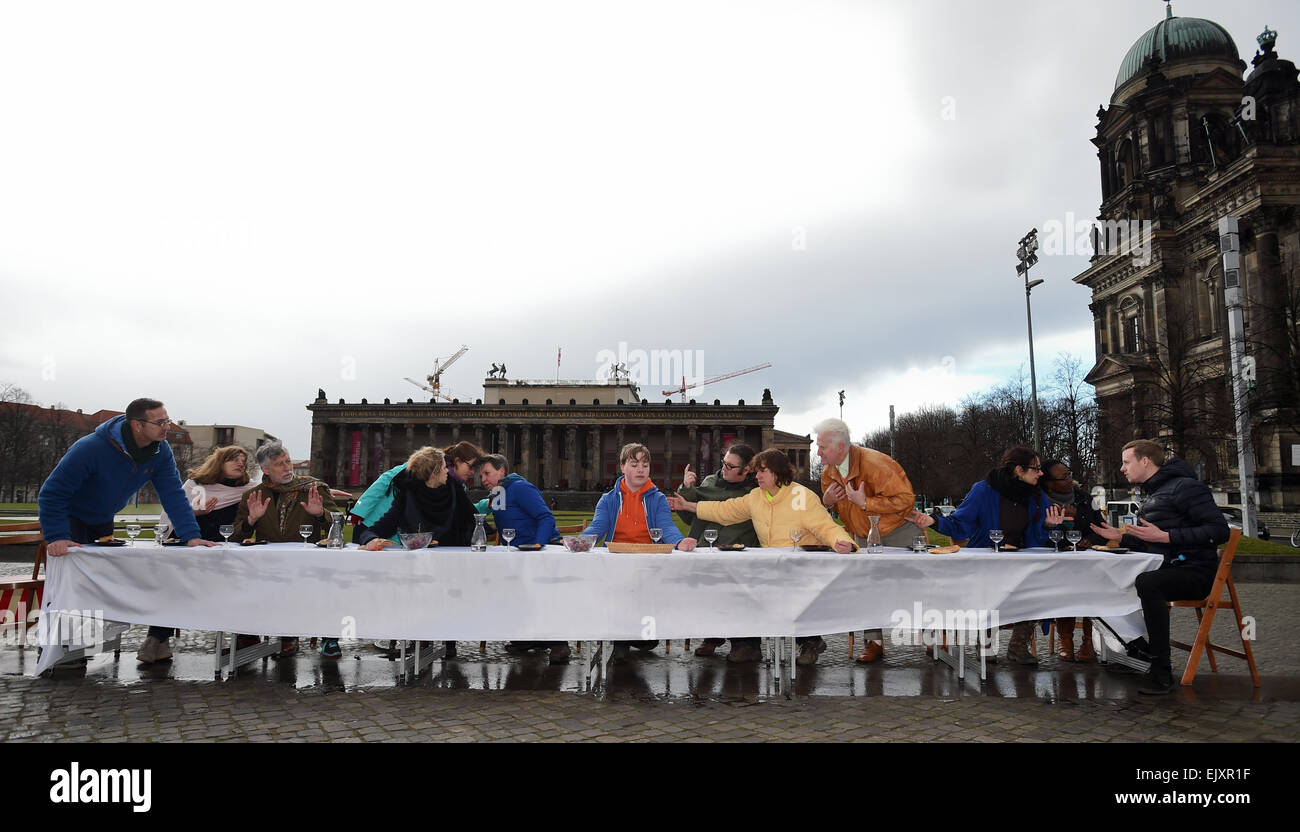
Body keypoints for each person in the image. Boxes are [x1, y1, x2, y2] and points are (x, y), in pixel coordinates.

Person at [37, 398, 219, 665]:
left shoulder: (160, 451)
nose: (166, 427)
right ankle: (55, 651)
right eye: (159, 422)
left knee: (97, 583)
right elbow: (51, 494)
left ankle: (82, 646)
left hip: (102, 519)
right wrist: (56, 536)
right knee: (67, 582)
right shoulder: (90, 448)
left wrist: (190, 536)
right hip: (70, 516)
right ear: (136, 425)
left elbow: (172, 494)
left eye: (167, 420)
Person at [669, 448, 856, 666]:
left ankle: (809, 641)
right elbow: (724, 510)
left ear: (778, 473)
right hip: (772, 569)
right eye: (756, 472)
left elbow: (825, 526)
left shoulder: (802, 496)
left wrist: (845, 543)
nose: (756, 476)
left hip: (801, 569)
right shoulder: (756, 497)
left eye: (762, 472)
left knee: (784, 598)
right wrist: (688, 505)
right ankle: (801, 642)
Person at [1089, 440, 1228, 695]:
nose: (1122, 468)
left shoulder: (1185, 487)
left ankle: (1161, 670)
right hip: (1168, 566)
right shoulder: (1155, 492)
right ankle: (1138, 647)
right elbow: (1152, 540)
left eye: (1126, 462)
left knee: (1147, 582)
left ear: (1145, 461)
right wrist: (1120, 537)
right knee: (1102, 580)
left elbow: (1219, 531)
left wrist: (1167, 537)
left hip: (1194, 571)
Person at [909, 445, 1065, 665]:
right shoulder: (984, 490)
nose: (1041, 473)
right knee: (990, 591)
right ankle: (986, 641)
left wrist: (1048, 524)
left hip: (1021, 561)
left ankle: (1018, 647)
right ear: (1018, 470)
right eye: (1035, 468)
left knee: (1037, 588)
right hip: (987, 562)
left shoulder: (1036, 495)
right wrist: (934, 521)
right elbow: (961, 523)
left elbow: (1038, 536)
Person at [814, 418, 920, 664]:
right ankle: (874, 643)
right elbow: (835, 508)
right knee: (868, 590)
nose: (818, 452)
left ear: (841, 447)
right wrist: (827, 501)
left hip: (899, 531)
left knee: (915, 585)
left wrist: (867, 503)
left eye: (822, 447)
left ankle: (932, 637)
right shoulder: (829, 472)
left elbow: (906, 499)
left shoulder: (876, 464)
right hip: (862, 536)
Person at [582, 443, 697, 663]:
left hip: (648, 563)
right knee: (619, 590)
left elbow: (667, 528)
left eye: (645, 465)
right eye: (634, 464)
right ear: (623, 467)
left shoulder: (658, 499)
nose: (641, 469)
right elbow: (596, 529)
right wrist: (580, 541)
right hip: (617, 563)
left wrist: (680, 542)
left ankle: (638, 635)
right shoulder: (608, 499)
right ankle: (621, 643)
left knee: (640, 591)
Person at [233, 441, 343, 657]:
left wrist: (320, 514)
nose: (287, 468)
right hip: (269, 565)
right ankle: (260, 635)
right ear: (265, 470)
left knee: (327, 586)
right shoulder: (252, 496)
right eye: (278, 464)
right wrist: (251, 520)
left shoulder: (314, 489)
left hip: (308, 564)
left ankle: (327, 636)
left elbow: (338, 527)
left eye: (287, 461)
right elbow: (235, 536)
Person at [673, 444, 763, 662]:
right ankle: (712, 635)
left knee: (738, 597)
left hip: (740, 554)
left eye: (731, 466)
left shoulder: (755, 492)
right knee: (706, 595)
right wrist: (686, 490)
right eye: (724, 462)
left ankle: (746, 643)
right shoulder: (709, 483)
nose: (724, 468)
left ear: (747, 470)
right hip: (708, 549)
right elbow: (691, 519)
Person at [476, 453, 568, 663]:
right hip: (519, 553)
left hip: (539, 551)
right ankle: (528, 638)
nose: (483, 480)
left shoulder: (521, 488)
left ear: (502, 471)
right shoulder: (498, 493)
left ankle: (559, 644)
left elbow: (545, 516)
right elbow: (502, 523)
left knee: (543, 596)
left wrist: (538, 544)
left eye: (487, 473)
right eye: (481, 476)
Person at [1041, 459, 1102, 662]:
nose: (1070, 479)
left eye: (1069, 474)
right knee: (1066, 589)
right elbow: (1035, 535)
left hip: (1086, 560)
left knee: (1092, 589)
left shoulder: (1084, 498)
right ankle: (1065, 639)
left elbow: (1101, 527)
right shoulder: (1040, 501)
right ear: (1049, 483)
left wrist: (1089, 540)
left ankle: (1088, 641)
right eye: (1063, 477)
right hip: (1055, 562)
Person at [162, 445, 261, 543]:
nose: (241, 464)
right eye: (234, 460)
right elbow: (172, 512)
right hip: (192, 546)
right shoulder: (195, 485)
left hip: (226, 548)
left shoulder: (249, 488)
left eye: (243, 461)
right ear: (219, 463)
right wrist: (195, 512)